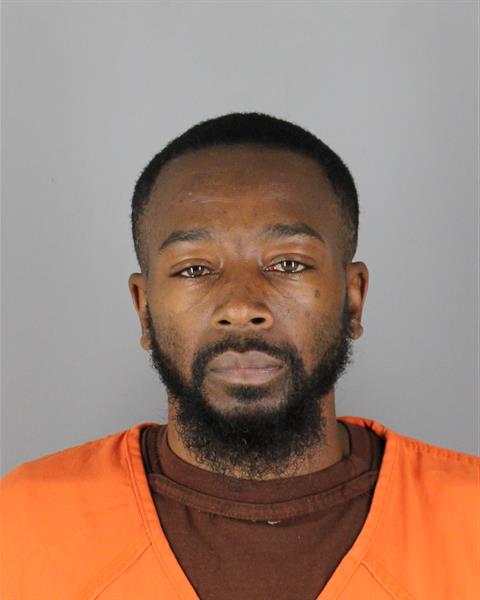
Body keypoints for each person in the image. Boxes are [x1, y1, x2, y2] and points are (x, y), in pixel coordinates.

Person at [2, 113, 478, 600]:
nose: (241, 307)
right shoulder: (21, 527)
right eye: (194, 269)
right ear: (144, 310)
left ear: (353, 298)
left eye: (288, 263)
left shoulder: (470, 520)